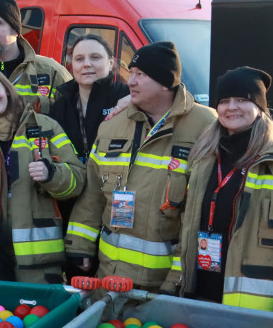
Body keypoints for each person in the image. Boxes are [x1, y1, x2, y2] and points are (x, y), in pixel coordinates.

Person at [161, 67, 273, 317]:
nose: (232, 107)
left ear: (260, 107)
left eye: (242, 99)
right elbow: (187, 231)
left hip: (258, 316)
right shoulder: (204, 157)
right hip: (197, 300)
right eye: (224, 101)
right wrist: (172, 285)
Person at [65, 41, 217, 290]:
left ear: (166, 82)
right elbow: (92, 192)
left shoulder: (205, 126)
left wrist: (177, 280)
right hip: (110, 278)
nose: (131, 82)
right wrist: (79, 246)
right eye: (131, 73)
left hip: (166, 284)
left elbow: (202, 212)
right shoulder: (112, 125)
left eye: (141, 75)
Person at [0, 66, 85, 283]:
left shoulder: (46, 128)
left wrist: (51, 174)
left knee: (39, 317)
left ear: (7, 89)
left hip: (39, 263)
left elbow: (78, 181)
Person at [47, 34, 130, 164]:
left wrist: (134, 99)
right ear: (72, 65)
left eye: (95, 57)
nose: (86, 64)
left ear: (111, 62)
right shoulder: (60, 107)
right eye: (79, 59)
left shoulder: (126, 97)